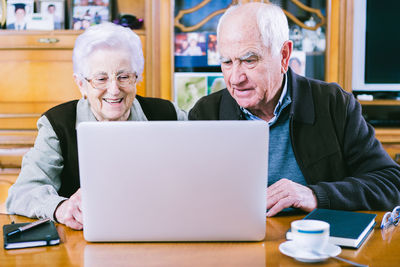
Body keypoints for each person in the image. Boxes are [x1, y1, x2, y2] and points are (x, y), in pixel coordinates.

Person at [189, 3, 400, 216]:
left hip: (317, 242)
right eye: (226, 61)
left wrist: (316, 195)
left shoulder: (334, 104)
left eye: (249, 60)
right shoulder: (206, 113)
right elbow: (188, 195)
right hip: (233, 243)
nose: (235, 78)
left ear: (284, 55)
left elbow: (391, 183)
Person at [6, 23, 187, 230]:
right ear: (81, 84)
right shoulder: (57, 125)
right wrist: (61, 208)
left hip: (160, 233)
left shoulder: (168, 114)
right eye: (101, 79)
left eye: (124, 77)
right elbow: (22, 192)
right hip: (83, 245)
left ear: (136, 78)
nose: (114, 89)